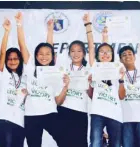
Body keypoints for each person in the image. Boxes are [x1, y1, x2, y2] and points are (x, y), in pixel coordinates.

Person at [16, 12, 69, 147]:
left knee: (65, 140)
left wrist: (65, 86)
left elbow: (58, 101)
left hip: (50, 112)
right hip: (31, 114)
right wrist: (19, 24)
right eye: (40, 54)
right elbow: (22, 46)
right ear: (35, 56)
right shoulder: (30, 67)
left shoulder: (54, 71)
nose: (44, 57)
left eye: (47, 54)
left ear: (52, 56)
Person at [54, 13, 93, 147]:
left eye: (79, 51)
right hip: (64, 111)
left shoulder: (89, 68)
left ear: (84, 53)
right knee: (63, 143)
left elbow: (92, 48)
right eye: (73, 51)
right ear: (69, 53)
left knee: (80, 143)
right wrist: (65, 85)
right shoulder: (64, 69)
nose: (76, 54)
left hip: (81, 112)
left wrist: (88, 26)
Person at [88, 26, 125, 147]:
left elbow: (121, 96)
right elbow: (92, 47)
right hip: (97, 112)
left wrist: (121, 80)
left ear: (112, 54)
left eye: (108, 52)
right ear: (97, 55)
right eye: (102, 52)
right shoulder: (95, 66)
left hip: (115, 113)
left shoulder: (118, 66)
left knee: (116, 144)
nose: (105, 54)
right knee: (95, 143)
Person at [0, 18, 28, 147]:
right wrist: (7, 32)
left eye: (15, 58)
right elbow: (2, 53)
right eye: (9, 59)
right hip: (6, 119)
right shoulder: (4, 74)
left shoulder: (25, 77)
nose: (12, 61)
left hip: (21, 120)